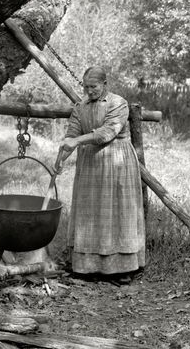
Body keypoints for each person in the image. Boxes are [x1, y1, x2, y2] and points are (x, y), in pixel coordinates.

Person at [58, 66, 146, 282]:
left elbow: (108, 133)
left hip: (117, 162)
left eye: (94, 87)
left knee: (117, 212)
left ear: (105, 85)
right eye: (86, 87)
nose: (90, 91)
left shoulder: (118, 103)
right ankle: (89, 267)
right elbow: (71, 134)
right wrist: (60, 159)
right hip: (90, 165)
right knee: (90, 214)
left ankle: (123, 268)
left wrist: (78, 141)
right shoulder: (81, 107)